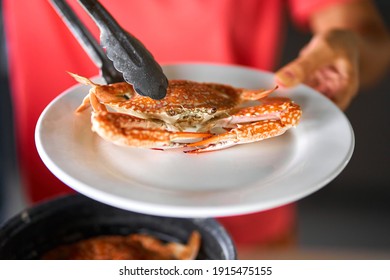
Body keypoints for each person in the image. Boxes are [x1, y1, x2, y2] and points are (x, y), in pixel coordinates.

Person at [3, 0, 390, 257]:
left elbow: (366, 34)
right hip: (75, 214)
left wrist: (348, 47)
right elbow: (100, 107)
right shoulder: (110, 103)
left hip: (247, 211)